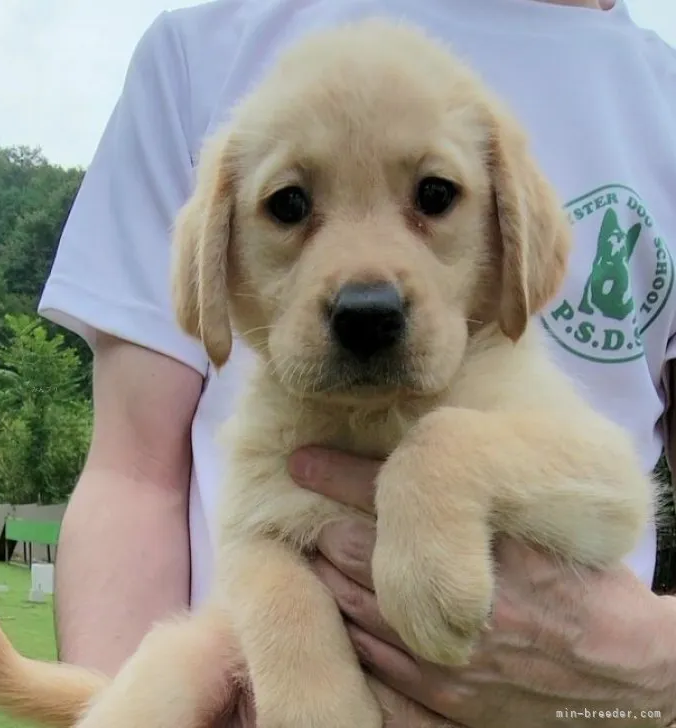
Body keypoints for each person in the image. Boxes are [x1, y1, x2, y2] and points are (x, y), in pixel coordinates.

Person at [36, 0, 676, 724]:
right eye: (288, 206)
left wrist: (660, 666)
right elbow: (136, 480)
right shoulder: (202, 47)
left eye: (434, 197)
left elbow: (616, 500)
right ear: (216, 258)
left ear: (513, 232)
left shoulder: (662, 94)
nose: (367, 288)